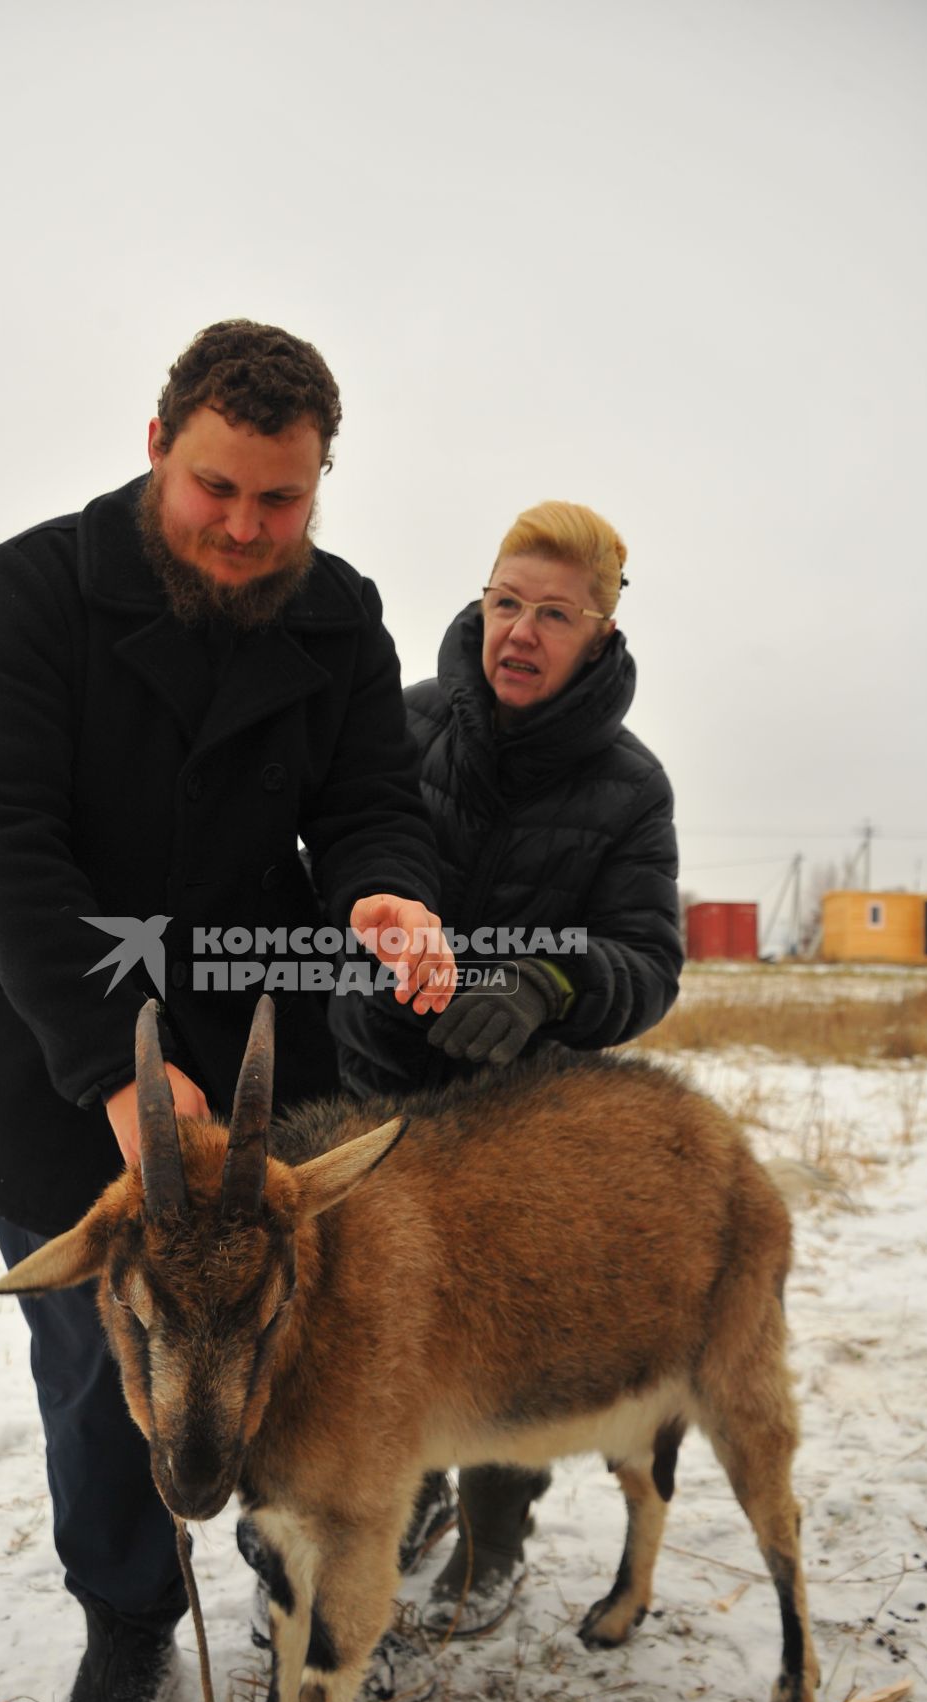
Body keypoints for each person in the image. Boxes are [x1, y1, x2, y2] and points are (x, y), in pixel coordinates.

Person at [0, 319, 454, 1702]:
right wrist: (111, 1068)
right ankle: (124, 1622)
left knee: (285, 1348)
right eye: (218, 489)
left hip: (250, 1066)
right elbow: (3, 849)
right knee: (114, 1381)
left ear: (318, 487)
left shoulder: (339, 616)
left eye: (278, 502)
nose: (242, 530)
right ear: (159, 445)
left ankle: (301, 1588)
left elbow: (371, 800)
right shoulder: (30, 592)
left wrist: (381, 888)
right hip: (57, 1055)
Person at [331, 498, 683, 1635]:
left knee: (503, 1338)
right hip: (374, 1089)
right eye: (502, 604)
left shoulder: (631, 789)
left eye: (551, 615)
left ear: (600, 634)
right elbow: (318, 875)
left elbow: (648, 962)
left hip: (516, 1123)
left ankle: (494, 1540)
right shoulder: (400, 726)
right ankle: (401, 1503)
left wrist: (552, 983)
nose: (517, 634)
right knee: (379, 1334)